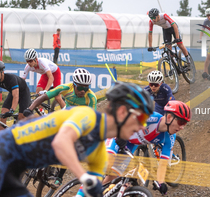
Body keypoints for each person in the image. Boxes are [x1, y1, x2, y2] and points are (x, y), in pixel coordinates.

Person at [0, 81, 154, 197]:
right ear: (121, 112)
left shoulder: (99, 152)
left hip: (15, 167)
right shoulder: (88, 116)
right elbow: (61, 142)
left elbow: (87, 193)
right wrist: (83, 176)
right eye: (141, 118)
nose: (142, 126)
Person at [23, 68, 97, 186]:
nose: (83, 91)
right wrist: (30, 109)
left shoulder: (91, 98)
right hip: (65, 114)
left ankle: (60, 176)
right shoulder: (66, 88)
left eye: (86, 87)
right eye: (80, 87)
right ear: (74, 84)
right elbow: (44, 97)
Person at [102, 100, 191, 196]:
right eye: (181, 122)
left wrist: (160, 183)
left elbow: (163, 164)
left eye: (185, 124)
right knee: (108, 163)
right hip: (117, 136)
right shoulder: (151, 117)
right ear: (169, 117)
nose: (182, 127)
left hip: (130, 145)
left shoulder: (170, 138)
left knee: (112, 177)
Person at [0, 61, 31, 130]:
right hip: (13, 92)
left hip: (23, 93)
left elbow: (16, 96)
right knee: (3, 115)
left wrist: (12, 110)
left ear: (2, 72)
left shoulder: (11, 79)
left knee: (21, 117)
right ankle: (3, 138)